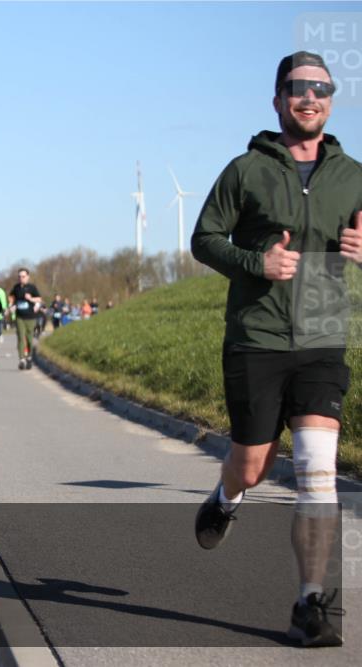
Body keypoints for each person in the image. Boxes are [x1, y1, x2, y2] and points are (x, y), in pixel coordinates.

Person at [191, 51, 362, 648]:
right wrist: (255, 262)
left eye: (321, 88)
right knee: (254, 464)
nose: (309, 97)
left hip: (322, 338)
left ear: (331, 100)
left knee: (318, 471)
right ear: (278, 100)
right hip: (256, 338)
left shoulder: (353, 176)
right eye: (297, 87)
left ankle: (310, 602)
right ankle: (226, 497)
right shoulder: (245, 170)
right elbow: (204, 239)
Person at [9, 268, 42, 370]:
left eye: (23, 276)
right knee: (20, 337)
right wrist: (12, 306)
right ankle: (22, 359)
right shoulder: (16, 287)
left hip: (30, 317)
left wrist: (31, 298)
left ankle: (29, 356)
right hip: (19, 316)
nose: (21, 278)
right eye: (19, 276)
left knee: (29, 338)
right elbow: (12, 297)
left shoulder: (32, 287)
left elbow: (39, 299)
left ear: (28, 277)